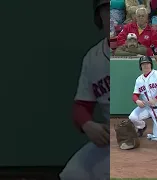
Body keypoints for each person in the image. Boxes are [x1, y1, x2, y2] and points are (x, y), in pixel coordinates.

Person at [59, 0, 110, 179]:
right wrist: (88, 124)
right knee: (73, 174)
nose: (114, 18)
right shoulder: (93, 58)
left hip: (153, 135)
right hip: (115, 138)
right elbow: (81, 106)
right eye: (107, 11)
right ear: (99, 18)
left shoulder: (151, 50)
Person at [129, 56, 157, 142]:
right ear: (140, 66)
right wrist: (137, 100)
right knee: (133, 117)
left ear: (151, 64)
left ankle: (156, 133)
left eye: (147, 63)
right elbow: (135, 95)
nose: (146, 66)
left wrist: (156, 99)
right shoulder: (139, 80)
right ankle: (141, 127)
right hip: (147, 107)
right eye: (143, 64)